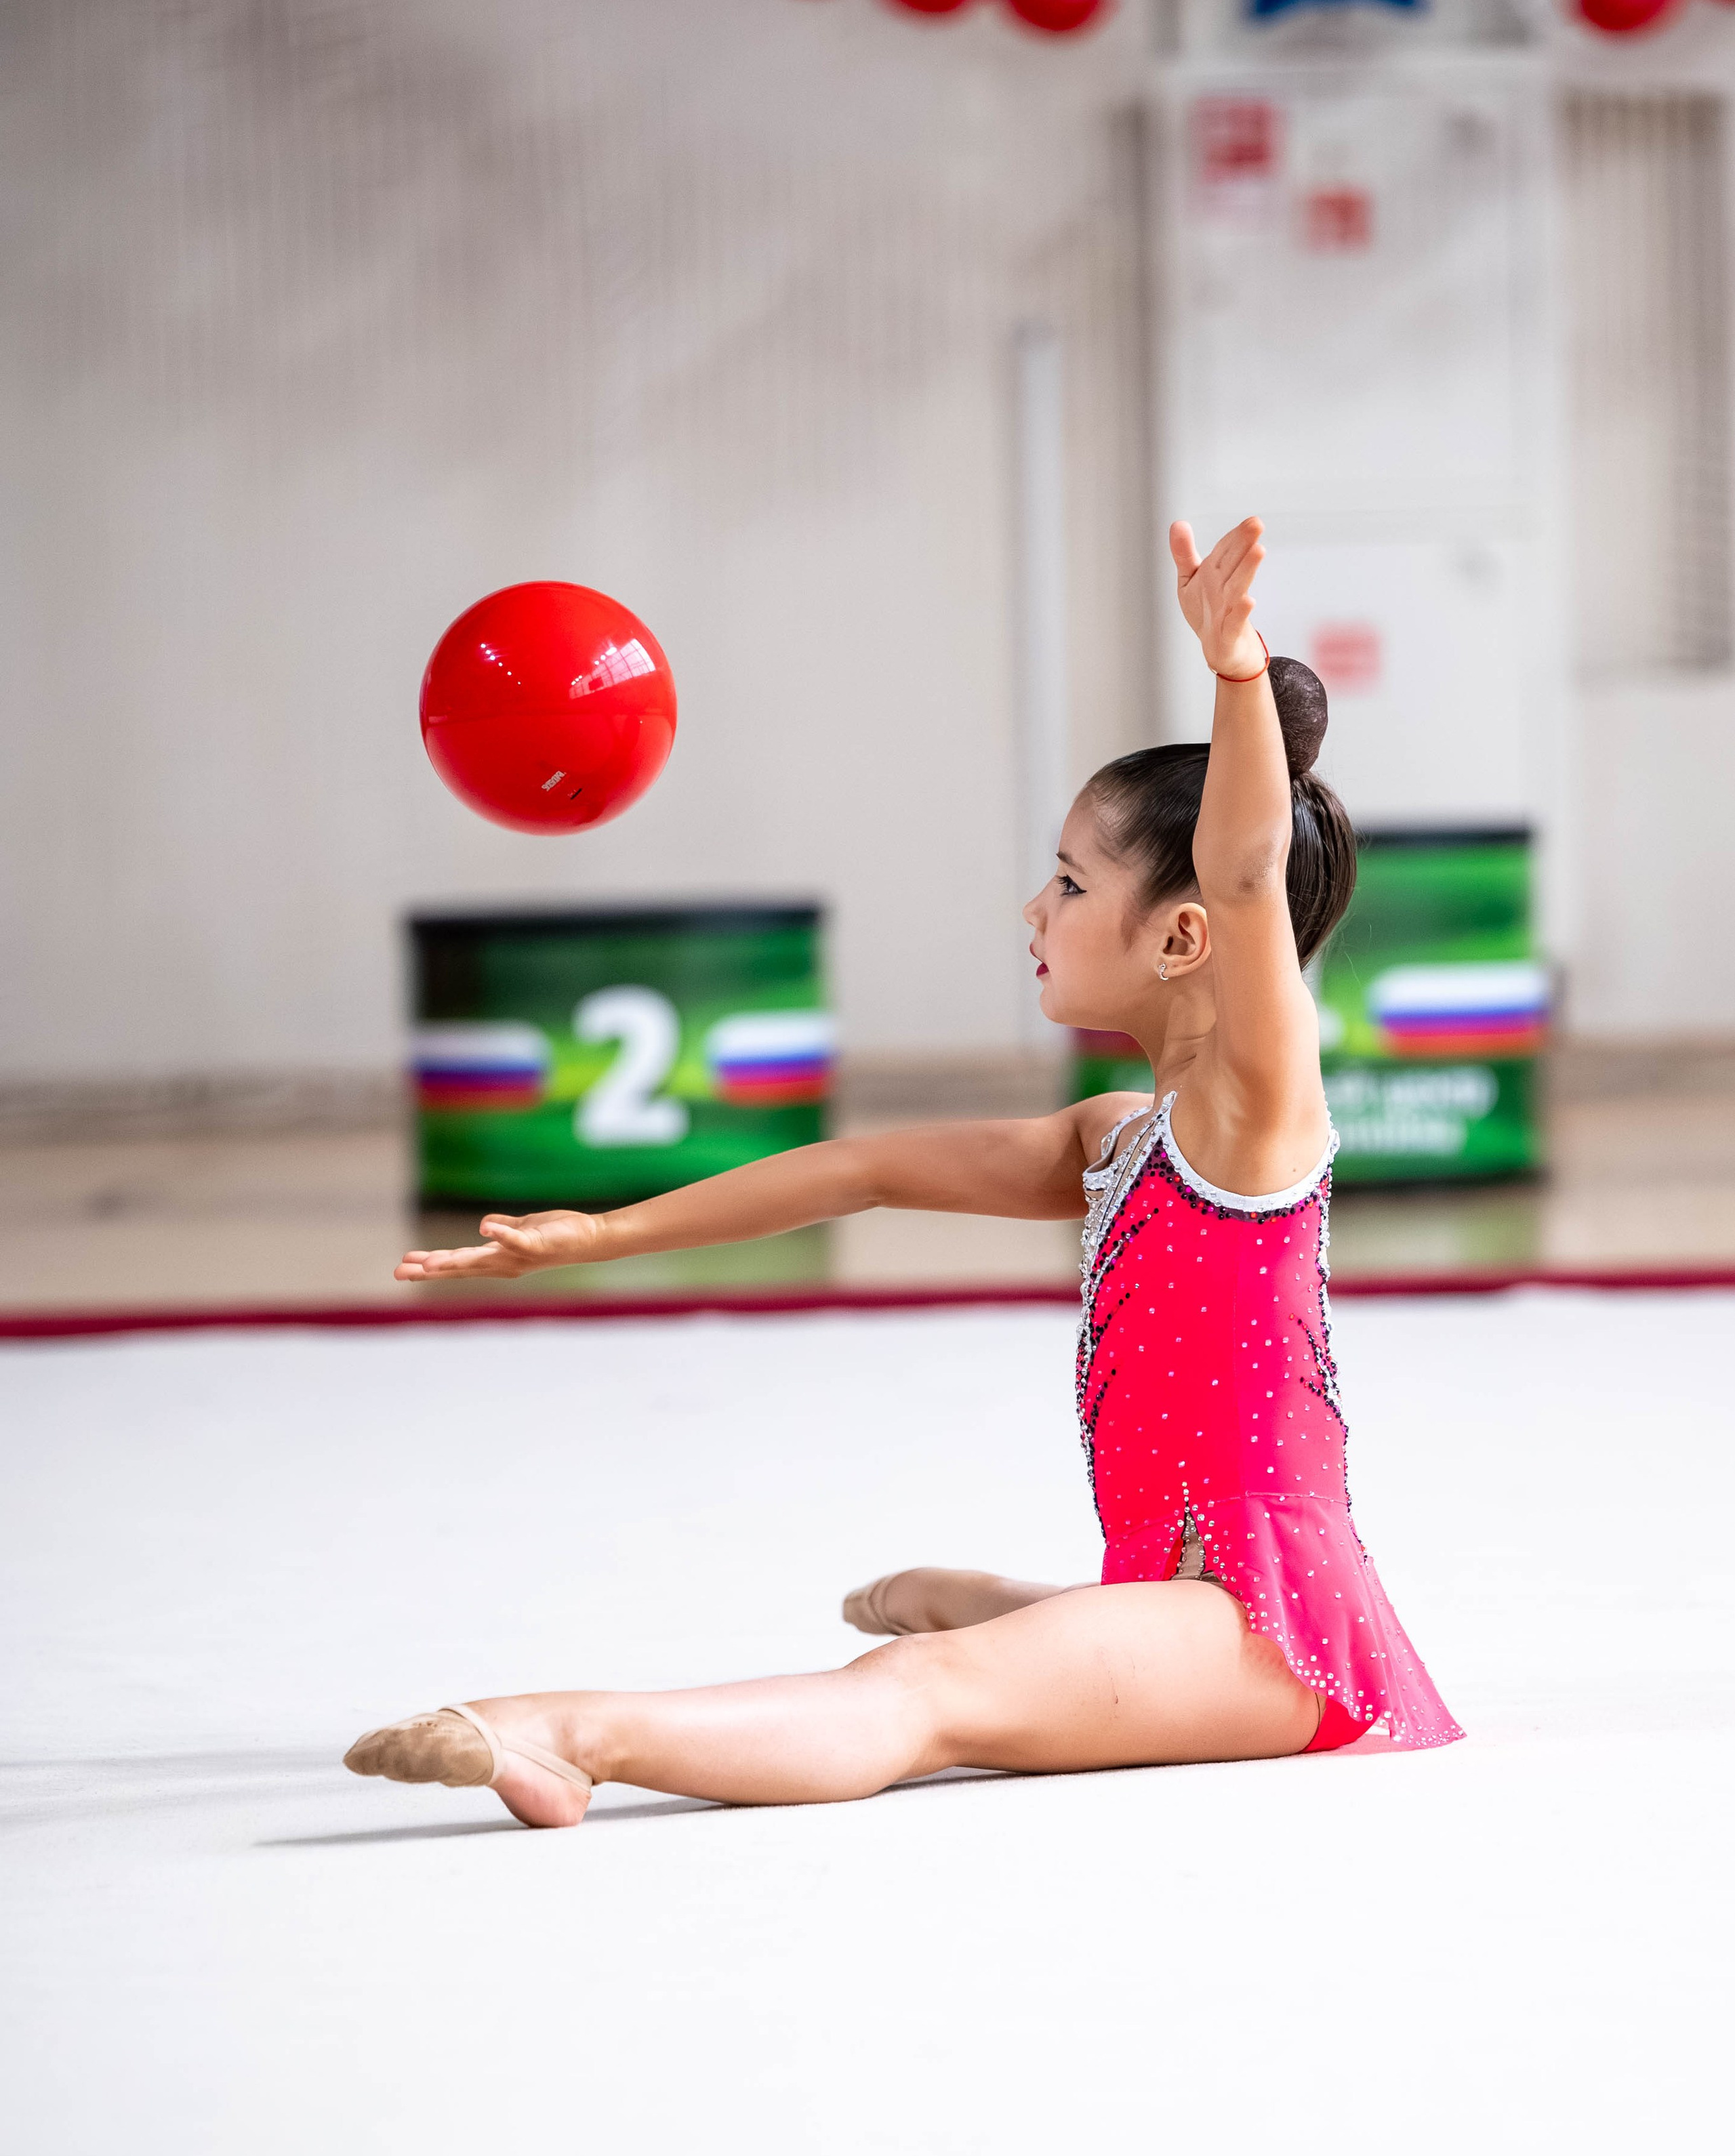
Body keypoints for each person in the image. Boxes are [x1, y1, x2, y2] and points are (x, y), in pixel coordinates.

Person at [346, 516, 1461, 1829]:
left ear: (1177, 935)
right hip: (1176, 1595)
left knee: (920, 1686)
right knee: (956, 1647)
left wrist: (1231, 677)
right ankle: (1018, 1609)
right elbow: (862, 1168)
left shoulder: (1251, 1118)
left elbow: (1243, 871)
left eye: (1064, 880)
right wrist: (598, 1232)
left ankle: (565, 1732)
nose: (1030, 911)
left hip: (1272, 1626)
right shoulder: (1118, 1134)